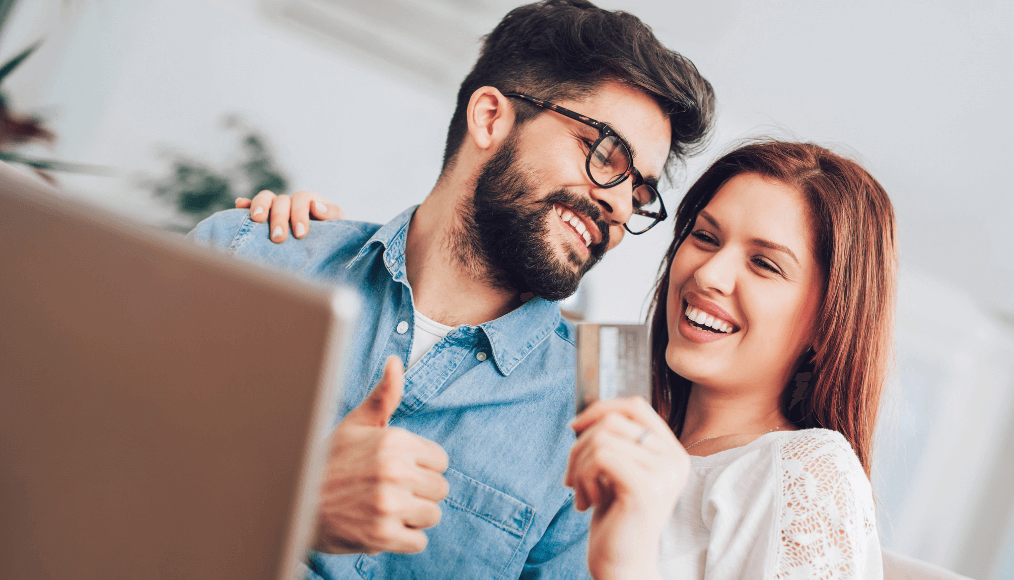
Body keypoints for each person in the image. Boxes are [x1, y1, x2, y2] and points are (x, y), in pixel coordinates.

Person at [189, 1, 715, 578]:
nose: (618, 205)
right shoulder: (250, 256)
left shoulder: (603, 411)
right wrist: (291, 509)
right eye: (604, 155)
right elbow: (95, 486)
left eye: (639, 194)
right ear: (491, 118)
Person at [563, 140, 895, 579]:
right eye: (704, 237)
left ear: (825, 322)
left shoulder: (809, 471)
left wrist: (626, 565)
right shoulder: (618, 425)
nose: (708, 274)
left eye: (764, 264)